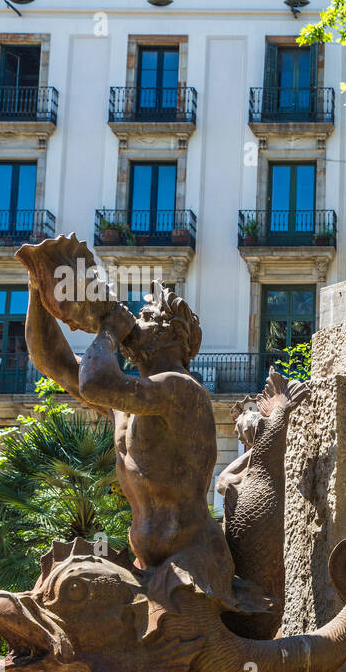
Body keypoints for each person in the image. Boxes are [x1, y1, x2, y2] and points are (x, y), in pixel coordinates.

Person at [17, 235, 239, 628]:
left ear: (172, 334)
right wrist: (39, 287)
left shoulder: (180, 390)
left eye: (146, 318)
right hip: (151, 566)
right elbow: (54, 363)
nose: (135, 322)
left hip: (193, 567)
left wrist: (109, 332)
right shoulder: (130, 400)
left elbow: (95, 383)